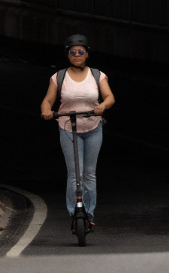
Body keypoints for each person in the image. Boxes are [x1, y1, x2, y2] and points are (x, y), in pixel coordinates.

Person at [40, 34, 115, 229]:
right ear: (67, 55)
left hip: (92, 128)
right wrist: (47, 111)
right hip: (67, 127)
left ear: (87, 54)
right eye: (72, 52)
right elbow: (48, 100)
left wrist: (102, 106)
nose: (77, 55)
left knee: (89, 174)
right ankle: (74, 212)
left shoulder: (98, 75)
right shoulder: (59, 77)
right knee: (75, 174)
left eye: (80, 51)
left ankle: (88, 213)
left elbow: (109, 97)